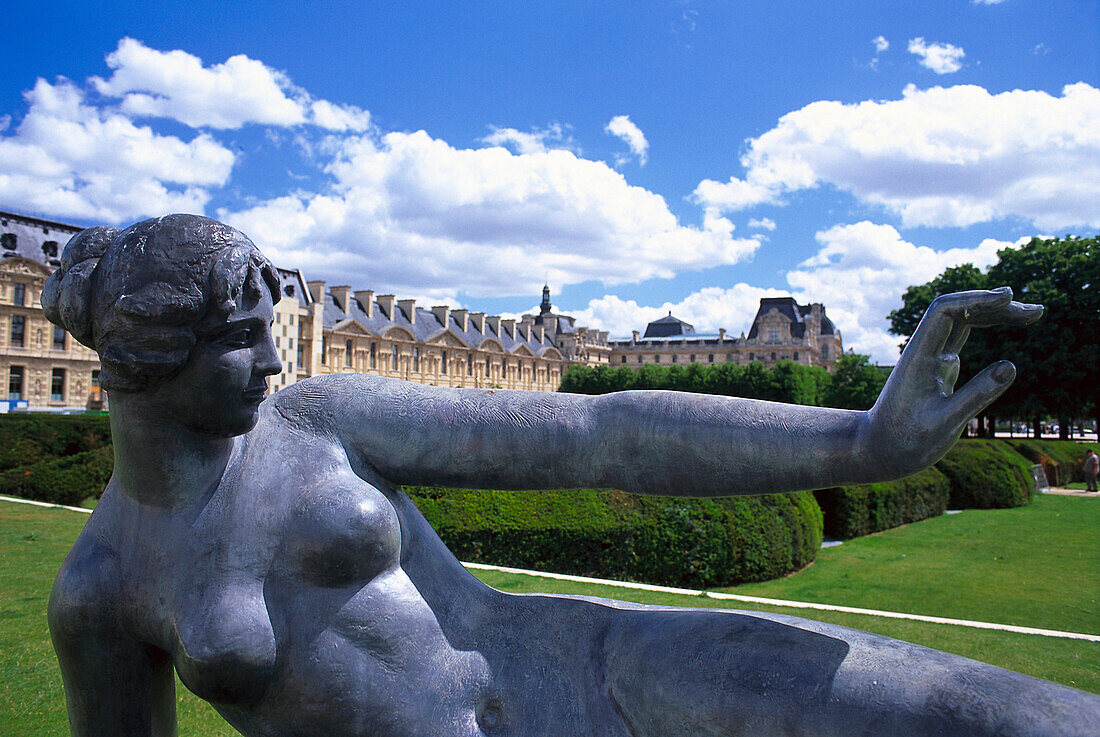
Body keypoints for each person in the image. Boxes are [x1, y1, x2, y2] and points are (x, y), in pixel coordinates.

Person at [44, 215, 1097, 737]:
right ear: (144, 354)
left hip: (583, 663)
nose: (277, 360)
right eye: (241, 340)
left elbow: (596, 433)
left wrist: (857, 442)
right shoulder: (99, 588)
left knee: (989, 711)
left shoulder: (317, 416)